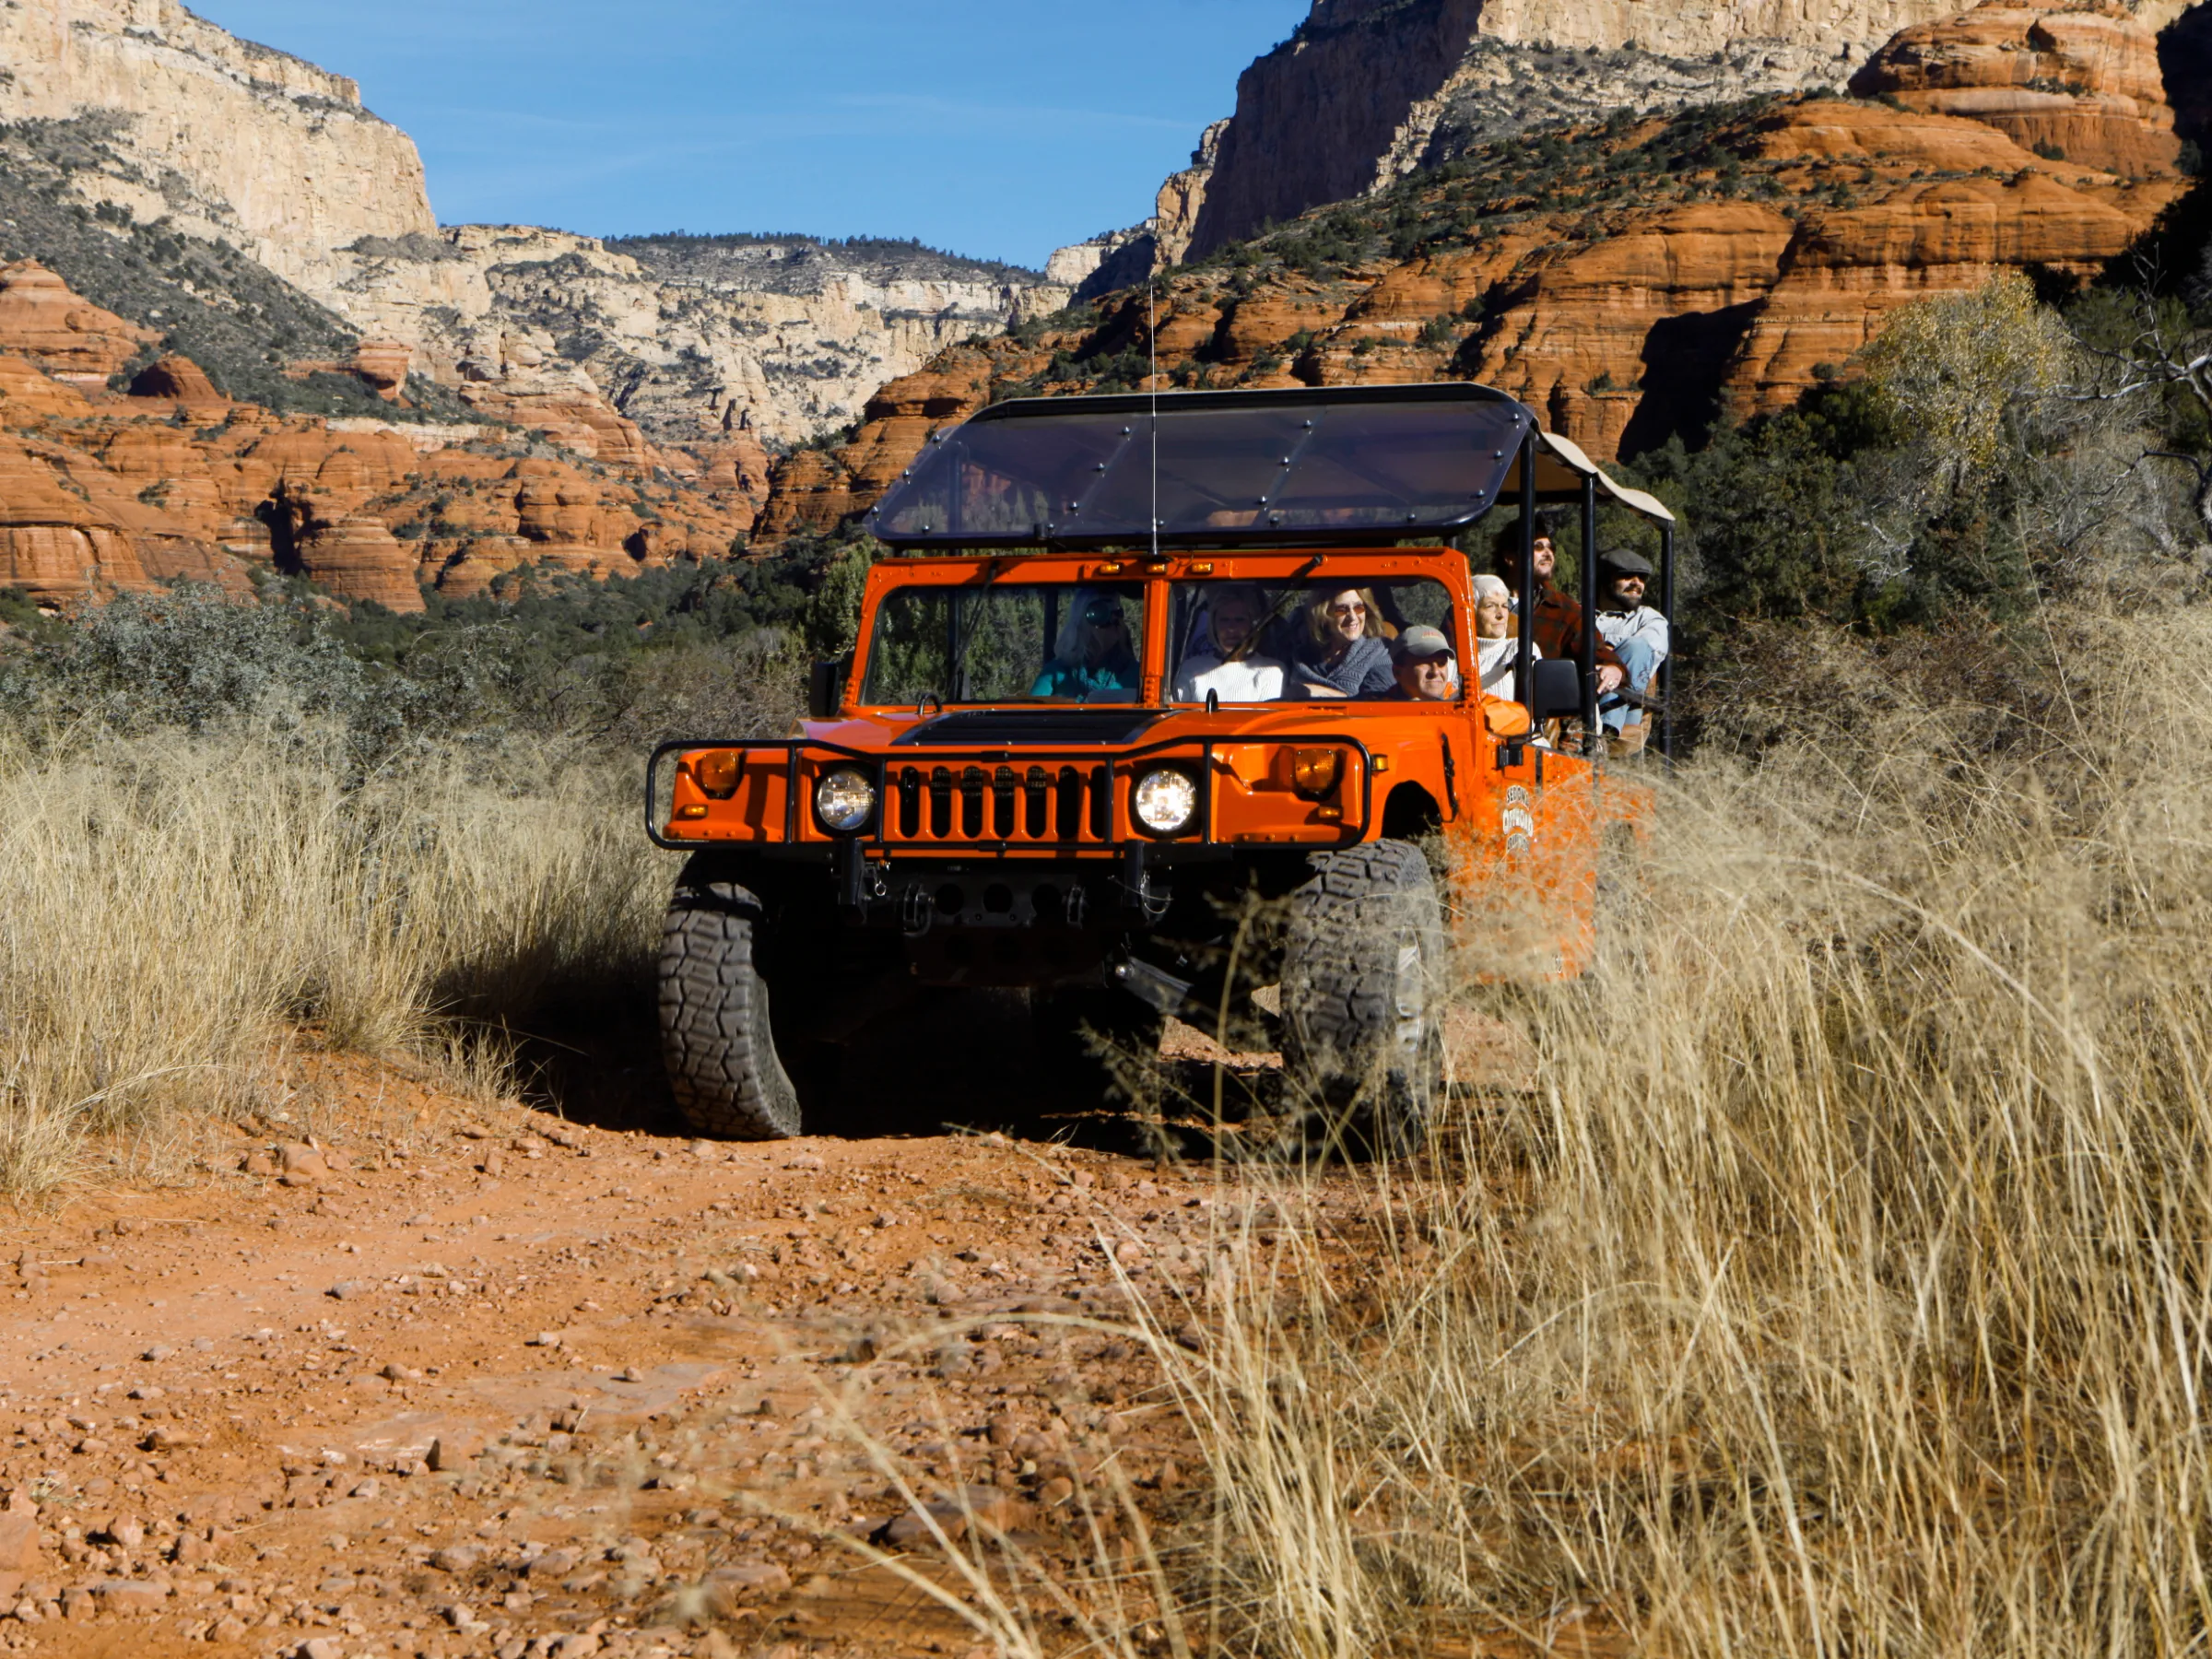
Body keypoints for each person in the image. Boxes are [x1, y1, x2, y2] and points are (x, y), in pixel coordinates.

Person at [1491, 519, 1624, 698]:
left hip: (1538, 708)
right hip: (1482, 702)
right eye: (1538, 547)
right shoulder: (1478, 601)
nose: (1548, 554)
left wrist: (1614, 668)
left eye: (1550, 548)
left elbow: (1596, 651)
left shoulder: (1565, 610)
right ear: (1510, 558)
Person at [1594, 548, 1667, 735]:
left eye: (1642, 578)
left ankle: (1603, 735)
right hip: (1579, 694)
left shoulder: (1648, 619)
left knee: (1637, 647)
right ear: (1606, 579)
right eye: (1627, 576)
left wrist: (1609, 659)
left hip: (1623, 707)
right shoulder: (1577, 614)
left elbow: (1650, 649)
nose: (1637, 583)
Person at [1171, 582, 1286, 702]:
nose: (1231, 628)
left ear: (1253, 625)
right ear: (1214, 626)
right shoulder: (1190, 667)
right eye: (1224, 620)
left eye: (1239, 620)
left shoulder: (1272, 670)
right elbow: (1175, 711)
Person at [1030, 591, 1139, 700]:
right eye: (1101, 611)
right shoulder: (1056, 672)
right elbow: (1032, 707)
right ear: (1082, 622)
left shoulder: (1135, 673)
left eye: (1118, 611)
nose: (1114, 618)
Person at [1293, 587, 1395, 699]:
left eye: (1358, 607)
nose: (1352, 617)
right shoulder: (1303, 652)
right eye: (1341, 610)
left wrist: (1320, 692)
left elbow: (1380, 702)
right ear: (1324, 614)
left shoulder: (1379, 652)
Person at [1470, 572, 1534, 700]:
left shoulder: (1520, 649)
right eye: (1490, 606)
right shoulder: (1449, 659)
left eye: (1505, 606)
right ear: (1471, 612)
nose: (1501, 614)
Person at [1384, 624, 1457, 701]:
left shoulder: (1460, 702)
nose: (1435, 672)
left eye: (1441, 663)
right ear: (1397, 672)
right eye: (1425, 663)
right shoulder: (1381, 707)